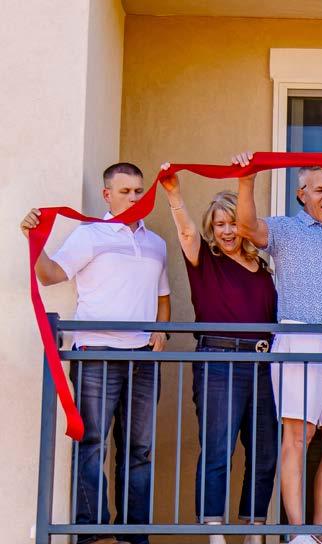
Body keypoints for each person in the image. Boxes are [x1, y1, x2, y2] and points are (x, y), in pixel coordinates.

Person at [21, 163, 170, 544]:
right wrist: (33, 239)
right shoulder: (89, 235)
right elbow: (50, 275)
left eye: (139, 191)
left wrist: (161, 331)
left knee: (140, 450)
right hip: (95, 354)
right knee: (92, 445)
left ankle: (133, 535)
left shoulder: (156, 243)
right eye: (125, 191)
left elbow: (163, 296)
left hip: (143, 359)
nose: (134, 198)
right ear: (107, 195)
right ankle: (92, 533)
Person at [234, 155, 322, 544]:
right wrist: (247, 180)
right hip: (302, 339)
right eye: (320, 190)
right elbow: (246, 226)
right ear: (301, 194)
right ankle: (298, 535)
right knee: (299, 437)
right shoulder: (285, 229)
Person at [160, 166, 278, 544]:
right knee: (219, 448)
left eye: (232, 223)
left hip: (263, 365)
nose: (227, 231)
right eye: (219, 224)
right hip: (219, 362)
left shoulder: (263, 268)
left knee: (264, 451)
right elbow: (186, 231)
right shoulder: (205, 259)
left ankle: (255, 532)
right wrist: (174, 194)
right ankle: (214, 533)